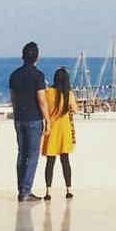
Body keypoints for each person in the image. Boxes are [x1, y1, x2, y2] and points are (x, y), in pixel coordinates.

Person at [9, 41, 50, 202]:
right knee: (32, 156)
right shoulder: (38, 76)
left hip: (20, 118)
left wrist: (17, 115)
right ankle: (26, 190)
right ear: (37, 57)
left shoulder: (14, 75)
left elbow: (13, 99)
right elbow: (41, 100)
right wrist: (47, 120)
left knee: (22, 154)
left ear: (23, 56)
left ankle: (22, 189)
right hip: (34, 119)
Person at [41, 66, 78, 200]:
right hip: (64, 129)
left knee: (50, 161)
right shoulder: (68, 94)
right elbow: (75, 109)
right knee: (65, 160)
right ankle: (68, 189)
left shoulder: (48, 92)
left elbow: (42, 106)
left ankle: (48, 192)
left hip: (51, 128)